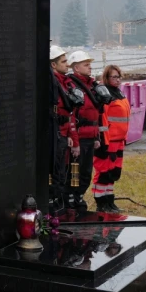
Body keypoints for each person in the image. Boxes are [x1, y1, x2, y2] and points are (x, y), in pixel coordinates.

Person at [65, 50, 103, 212]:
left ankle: (79, 197)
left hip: (90, 137)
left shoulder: (92, 86)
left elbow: (96, 113)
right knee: (74, 172)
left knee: (86, 172)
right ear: (76, 68)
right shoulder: (72, 86)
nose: (90, 68)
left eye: (90, 65)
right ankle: (70, 199)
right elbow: (71, 115)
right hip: (78, 137)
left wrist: (97, 137)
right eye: (86, 65)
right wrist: (74, 140)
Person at [94, 64, 131, 213]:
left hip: (119, 141)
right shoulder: (105, 95)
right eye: (114, 77)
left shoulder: (119, 94)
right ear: (106, 78)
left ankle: (110, 201)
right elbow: (102, 120)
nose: (118, 80)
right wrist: (104, 141)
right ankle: (101, 203)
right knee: (103, 173)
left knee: (113, 173)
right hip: (108, 141)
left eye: (119, 76)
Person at [48, 45, 78, 211]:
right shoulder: (53, 83)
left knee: (62, 172)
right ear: (53, 64)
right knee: (56, 171)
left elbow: (70, 113)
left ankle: (59, 203)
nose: (68, 65)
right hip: (57, 133)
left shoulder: (65, 83)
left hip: (63, 133)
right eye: (64, 61)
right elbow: (59, 111)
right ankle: (53, 203)